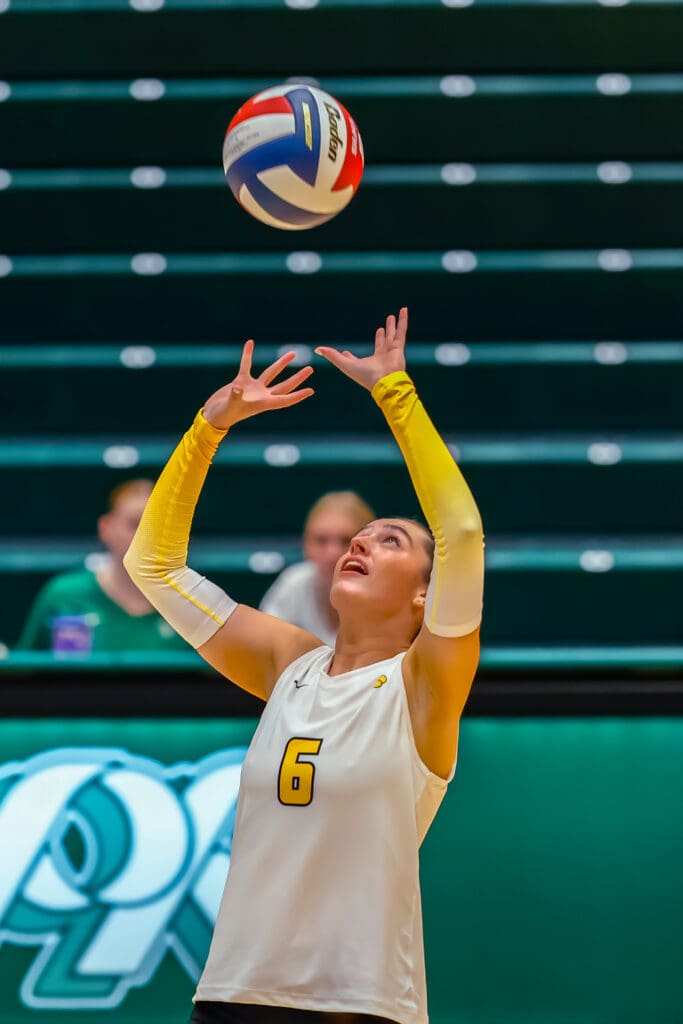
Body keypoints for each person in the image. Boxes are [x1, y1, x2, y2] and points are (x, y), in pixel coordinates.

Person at [124, 308, 485, 1024]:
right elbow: (152, 565)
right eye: (358, 536)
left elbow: (462, 531)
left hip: (356, 1004)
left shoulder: (422, 687)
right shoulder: (287, 663)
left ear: (424, 592)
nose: (360, 542)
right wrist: (208, 428)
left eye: (388, 541)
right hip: (231, 994)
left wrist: (395, 395)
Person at [18, 479, 186, 654]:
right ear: (106, 528)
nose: (149, 535)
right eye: (136, 523)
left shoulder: (192, 606)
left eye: (162, 525)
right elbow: (27, 673)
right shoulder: (64, 596)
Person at [260, 490, 375, 646]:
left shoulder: (385, 591)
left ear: (370, 547)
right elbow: (265, 648)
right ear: (305, 545)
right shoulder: (294, 582)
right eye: (321, 541)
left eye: (346, 541)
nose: (332, 554)